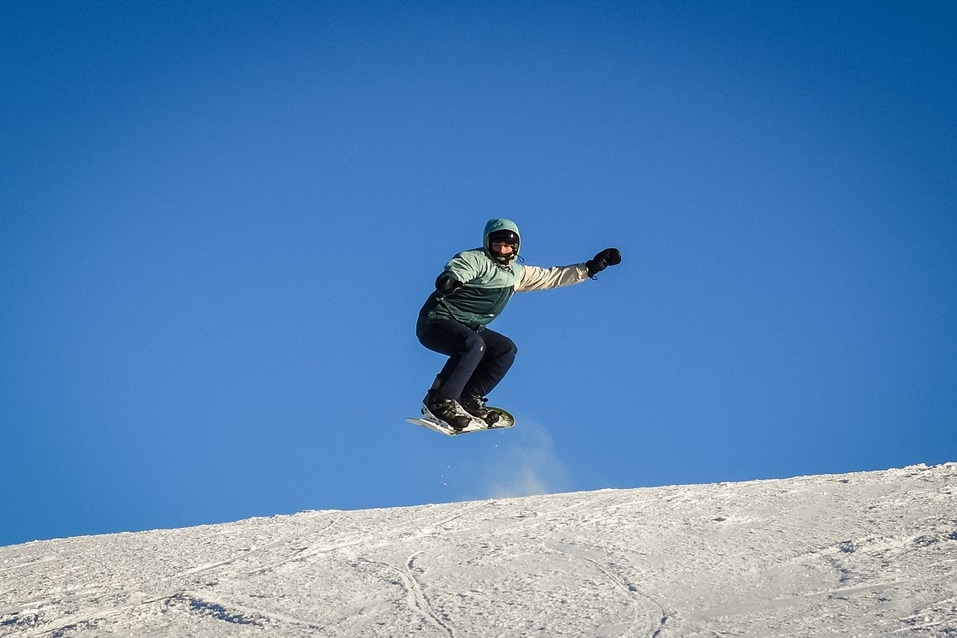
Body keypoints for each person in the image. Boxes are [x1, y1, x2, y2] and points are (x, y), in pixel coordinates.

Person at [416, 218, 621, 430]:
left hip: (468, 327)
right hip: (436, 321)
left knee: (504, 349)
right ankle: (439, 402)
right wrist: (451, 279)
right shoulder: (477, 259)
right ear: (488, 244)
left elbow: (551, 277)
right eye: (497, 245)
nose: (502, 250)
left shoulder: (517, 274)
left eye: (508, 246)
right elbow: (461, 267)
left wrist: (590, 268)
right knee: (473, 344)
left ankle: (468, 398)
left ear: (516, 247)